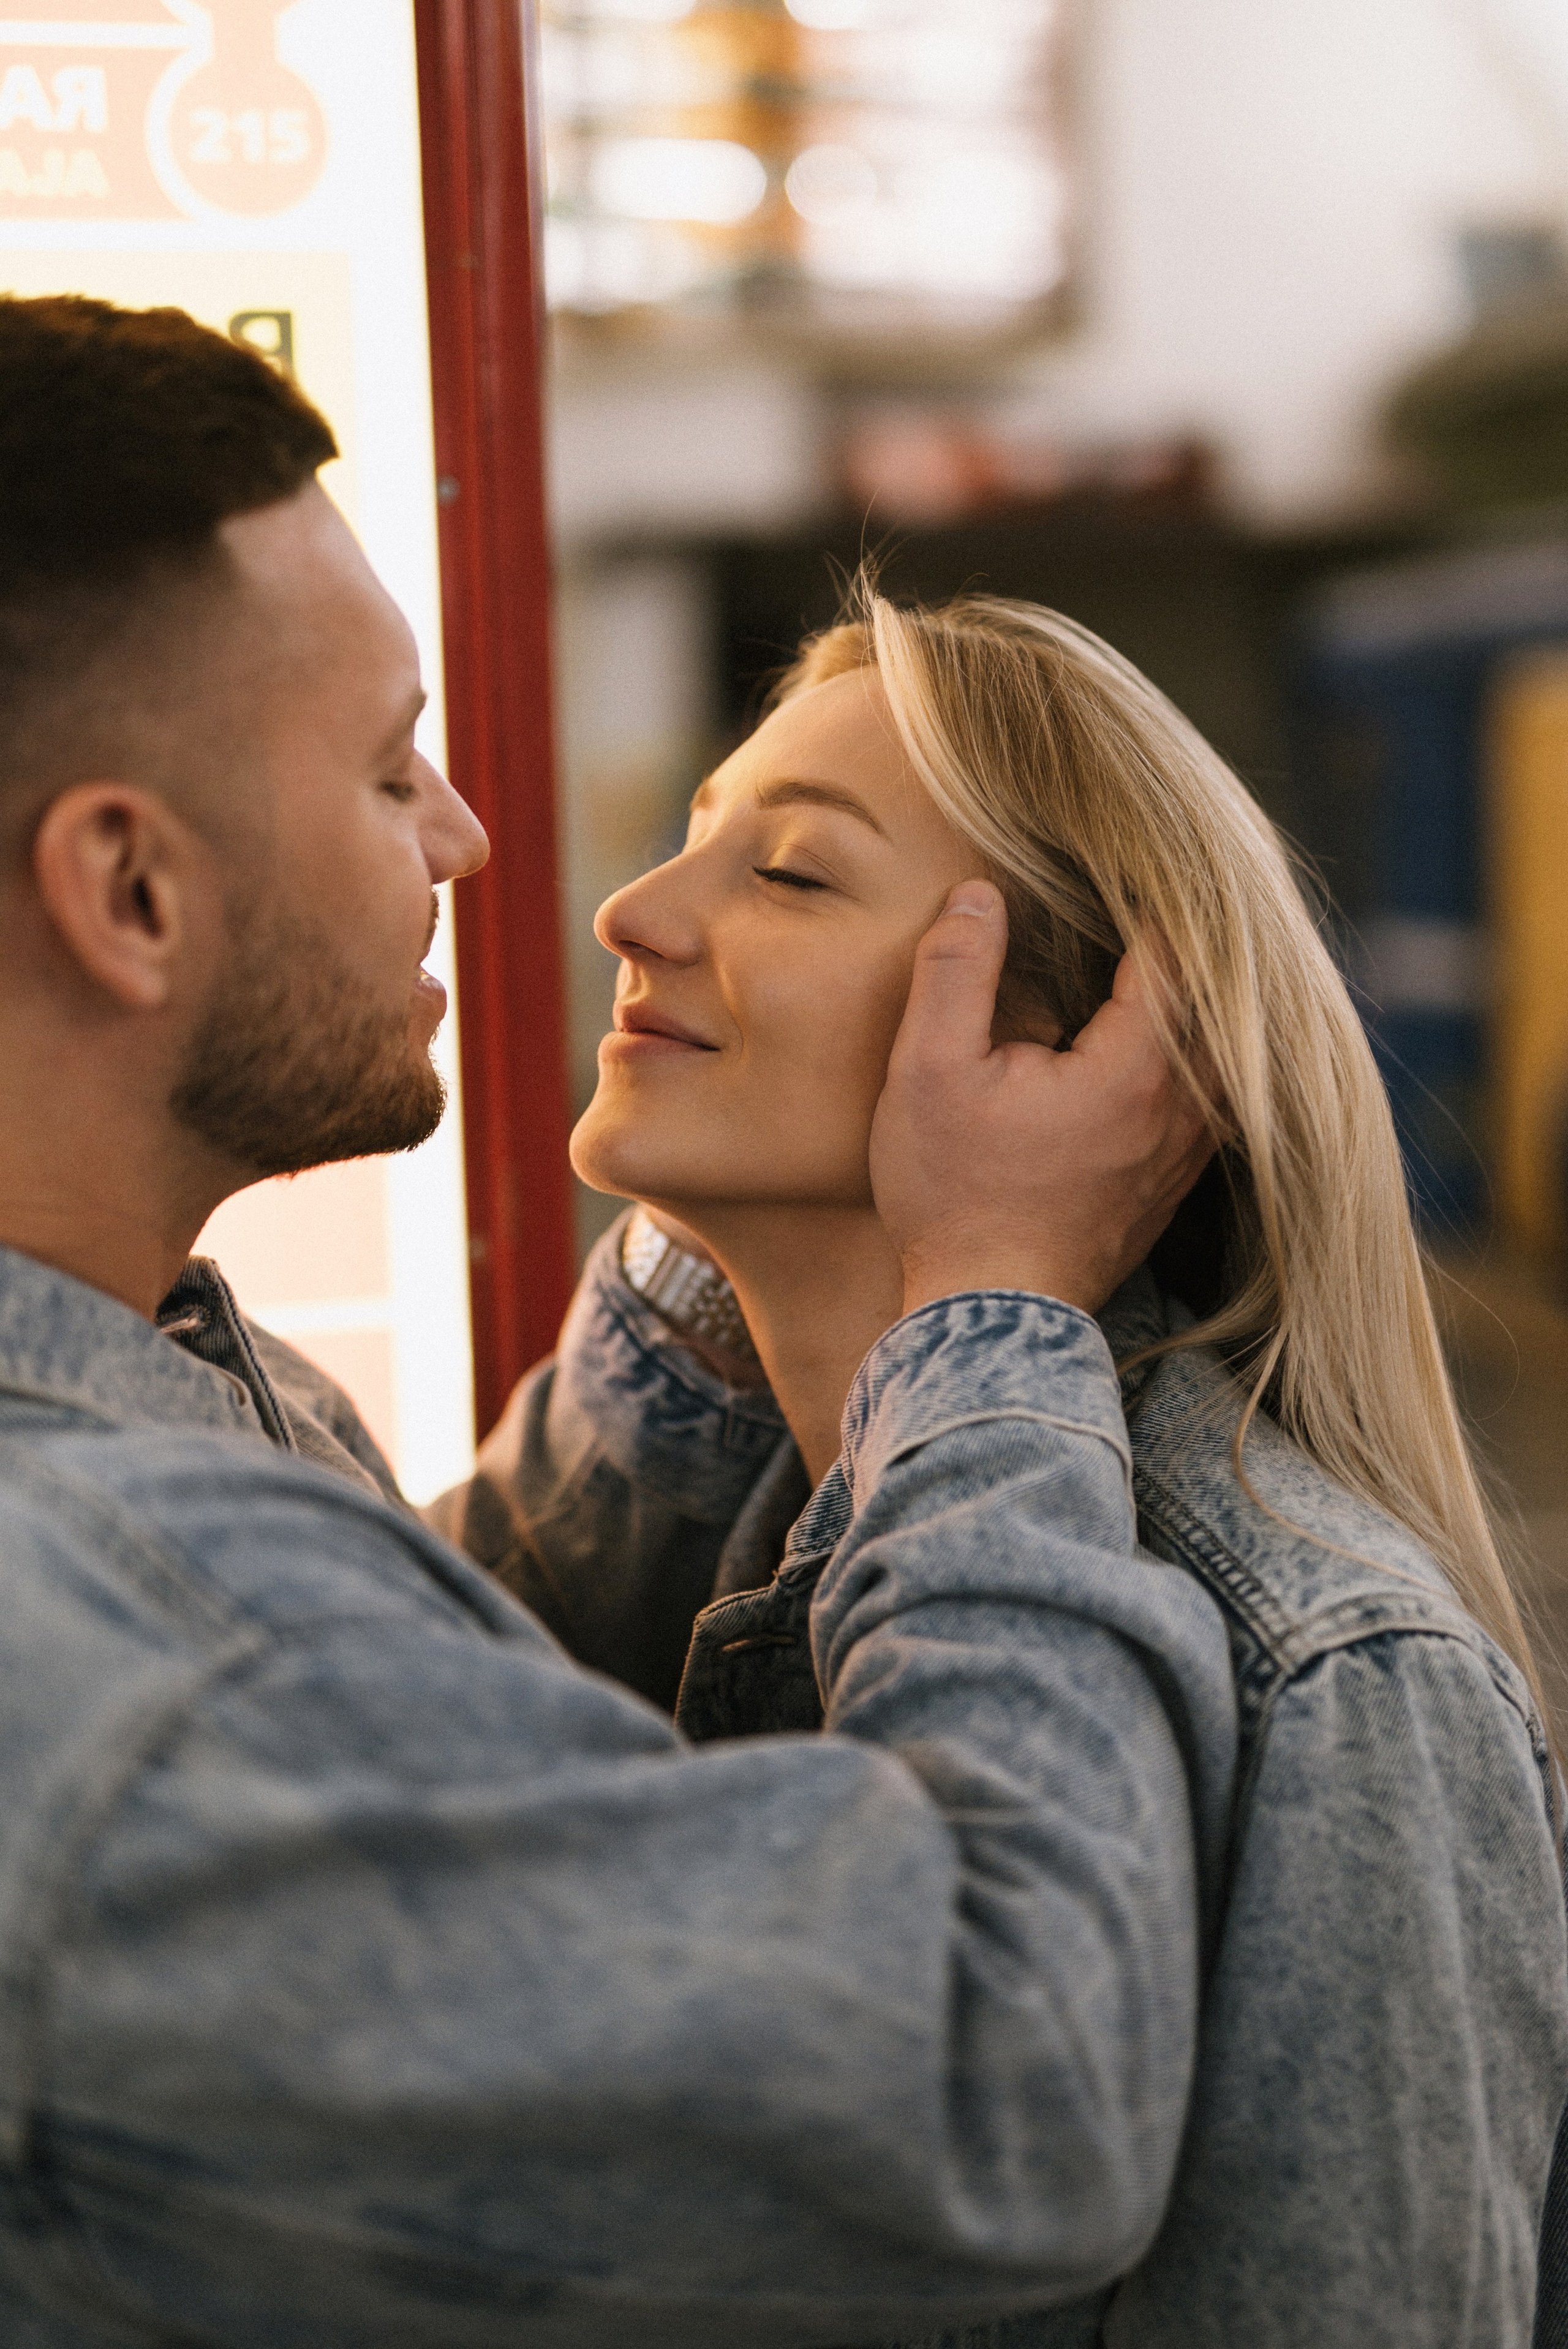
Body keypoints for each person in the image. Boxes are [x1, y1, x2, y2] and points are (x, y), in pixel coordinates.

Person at [0, 293, 1235, 2345]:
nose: (481, 847)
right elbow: (1004, 2069)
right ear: (128, 890)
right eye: (391, 766)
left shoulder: (169, 1409)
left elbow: (421, 1666)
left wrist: (739, 1267)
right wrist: (991, 1307)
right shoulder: (144, 1666)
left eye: (795, 874)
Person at [442, 583, 1568, 2344]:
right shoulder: (718, 1516)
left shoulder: (1342, 1678)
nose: (633, 914)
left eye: (792, 872)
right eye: (691, 841)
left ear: (1072, 1049)